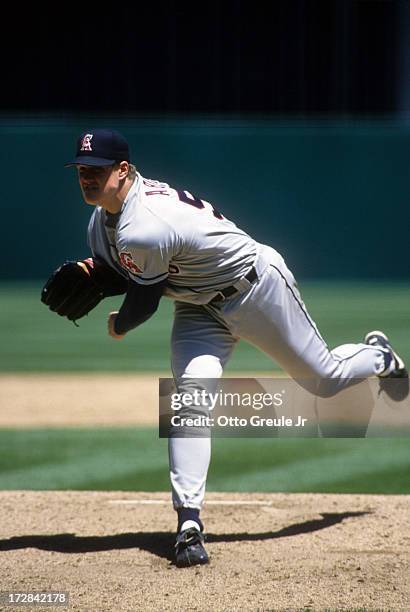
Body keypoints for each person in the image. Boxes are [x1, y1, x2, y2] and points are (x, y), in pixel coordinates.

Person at [41, 128, 408, 567]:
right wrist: (91, 269)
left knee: (325, 379)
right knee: (191, 400)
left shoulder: (146, 223)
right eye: (82, 170)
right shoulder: (102, 221)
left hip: (255, 290)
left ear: (122, 170)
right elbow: (115, 268)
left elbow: (143, 301)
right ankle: (189, 524)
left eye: (97, 170)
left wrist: (119, 325)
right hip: (199, 306)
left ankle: (379, 356)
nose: (87, 178)